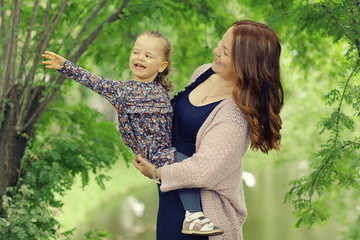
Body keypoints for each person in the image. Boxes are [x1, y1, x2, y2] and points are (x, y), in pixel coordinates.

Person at [42, 30, 223, 236]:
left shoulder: (160, 90)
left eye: (148, 55)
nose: (140, 58)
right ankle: (194, 216)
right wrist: (65, 66)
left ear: (162, 66)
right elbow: (92, 80)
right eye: (136, 52)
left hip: (164, 149)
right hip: (154, 154)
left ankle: (196, 213)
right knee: (186, 166)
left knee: (188, 167)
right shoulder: (121, 91)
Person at [133, 20, 284, 240]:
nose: (215, 51)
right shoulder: (204, 73)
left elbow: (202, 170)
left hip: (203, 218)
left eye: (224, 51)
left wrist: (156, 173)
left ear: (245, 64)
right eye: (220, 44)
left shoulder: (235, 116)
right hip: (171, 200)